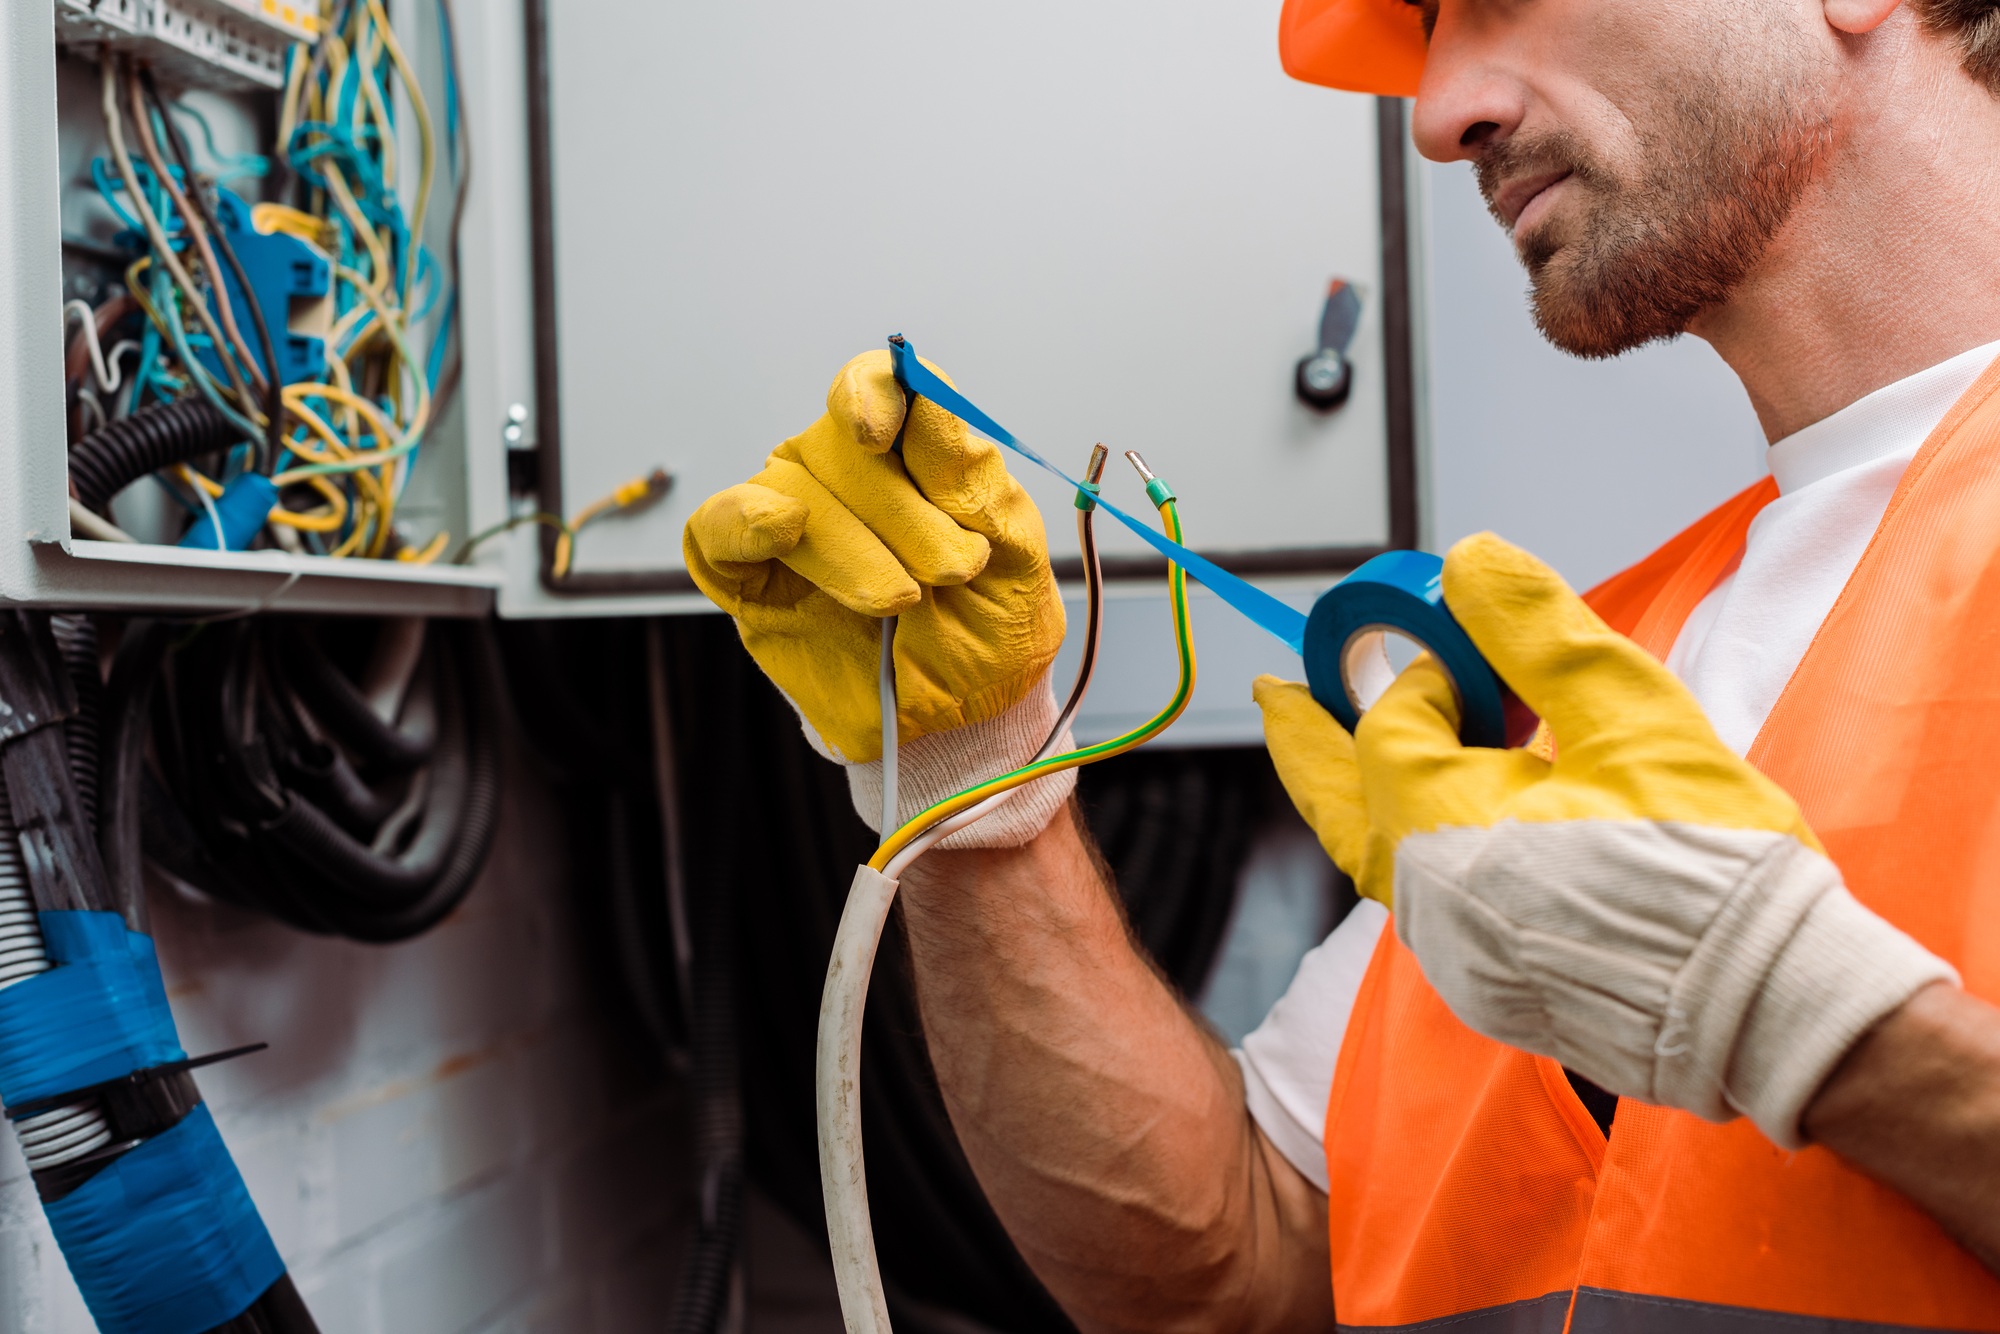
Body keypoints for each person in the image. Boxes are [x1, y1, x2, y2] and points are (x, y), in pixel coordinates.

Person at [683, 0, 2000, 1326]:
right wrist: (980, 779)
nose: (1437, 117)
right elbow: (1231, 1263)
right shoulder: (1604, 669)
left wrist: (1815, 1020)